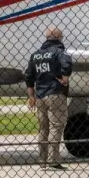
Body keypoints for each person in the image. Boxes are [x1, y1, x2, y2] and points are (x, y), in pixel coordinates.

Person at [23, 26, 73, 170]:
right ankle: (53, 160)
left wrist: (31, 95)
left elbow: (29, 75)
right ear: (59, 38)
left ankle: (43, 160)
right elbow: (67, 65)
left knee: (43, 128)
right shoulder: (59, 52)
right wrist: (64, 79)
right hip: (56, 92)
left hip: (40, 95)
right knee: (56, 126)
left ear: (46, 38)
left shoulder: (36, 55)